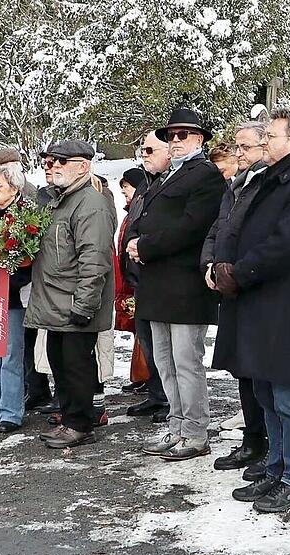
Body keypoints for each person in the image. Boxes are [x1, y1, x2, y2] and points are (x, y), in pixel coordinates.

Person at [211, 109, 290, 512]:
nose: (264, 143)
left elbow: (286, 244)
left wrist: (240, 272)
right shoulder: (274, 180)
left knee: (287, 394)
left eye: (271, 136)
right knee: (265, 390)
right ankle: (276, 469)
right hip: (264, 303)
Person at [127, 109, 225, 461]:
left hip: (185, 285)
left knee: (186, 361)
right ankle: (177, 426)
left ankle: (196, 432)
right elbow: (145, 215)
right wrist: (134, 240)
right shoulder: (168, 175)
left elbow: (193, 226)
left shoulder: (206, 175)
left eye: (183, 134)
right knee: (164, 363)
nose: (176, 140)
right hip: (157, 283)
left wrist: (146, 245)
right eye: (171, 135)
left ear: (200, 138)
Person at [25, 140, 116, 449]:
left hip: (75, 303)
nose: (55, 166)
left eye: (62, 161)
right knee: (60, 363)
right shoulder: (58, 200)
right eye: (51, 161)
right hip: (55, 303)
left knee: (77, 366)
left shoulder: (90, 203)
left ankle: (80, 424)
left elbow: (95, 258)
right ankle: (69, 419)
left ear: (83, 166)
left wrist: (85, 304)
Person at [200, 121, 271, 481]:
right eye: (237, 148)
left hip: (250, 284)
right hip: (228, 284)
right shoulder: (234, 185)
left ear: (265, 147)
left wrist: (234, 271)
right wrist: (210, 265)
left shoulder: (265, 183)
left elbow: (261, 238)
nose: (239, 154)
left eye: (246, 148)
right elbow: (217, 229)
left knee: (259, 368)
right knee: (241, 366)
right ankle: (253, 437)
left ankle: (267, 441)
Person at [122, 132, 170, 421]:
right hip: (140, 277)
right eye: (142, 149)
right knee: (149, 344)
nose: (144, 154)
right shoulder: (146, 184)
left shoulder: (165, 184)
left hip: (159, 277)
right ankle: (156, 393)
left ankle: (168, 400)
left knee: (166, 348)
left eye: (150, 149)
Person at [0, 164, 33, 433]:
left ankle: (9, 411)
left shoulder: (25, 217)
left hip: (11, 296)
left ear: (14, 188)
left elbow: (29, 260)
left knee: (9, 354)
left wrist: (9, 276)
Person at [23, 151, 55, 414]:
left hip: (49, 281)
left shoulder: (32, 196)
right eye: (45, 163)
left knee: (48, 341)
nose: (48, 167)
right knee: (29, 341)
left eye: (54, 162)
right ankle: (36, 388)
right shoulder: (42, 193)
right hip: (29, 280)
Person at [115, 168, 149, 393]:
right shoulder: (129, 213)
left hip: (138, 281)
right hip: (131, 280)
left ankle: (146, 377)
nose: (124, 193)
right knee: (138, 332)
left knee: (144, 333)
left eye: (126, 187)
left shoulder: (139, 211)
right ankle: (141, 376)